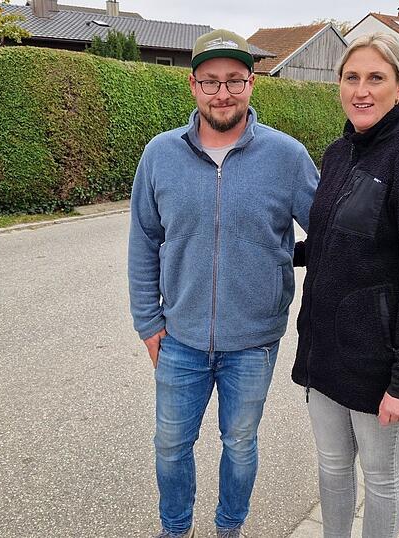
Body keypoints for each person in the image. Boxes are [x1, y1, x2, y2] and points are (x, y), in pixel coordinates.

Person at [128, 29, 318, 538]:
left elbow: (328, 233)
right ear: (193, 86)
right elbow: (144, 241)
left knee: (240, 443)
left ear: (251, 83)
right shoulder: (160, 154)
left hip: (254, 342)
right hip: (179, 337)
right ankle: (176, 529)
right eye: (210, 81)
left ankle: (229, 528)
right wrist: (148, 322)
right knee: (170, 445)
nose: (222, 93)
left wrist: (281, 263)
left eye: (234, 80)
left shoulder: (286, 156)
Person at [291, 33, 399, 538]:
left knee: (381, 478)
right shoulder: (339, 153)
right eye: (352, 77)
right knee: (331, 466)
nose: (361, 90)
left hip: (381, 364)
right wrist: (280, 253)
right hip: (326, 351)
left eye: (376, 78)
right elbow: (333, 242)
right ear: (339, 85)